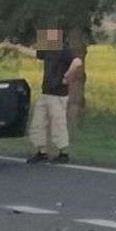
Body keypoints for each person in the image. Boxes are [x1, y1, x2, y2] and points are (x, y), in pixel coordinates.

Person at [26, 29, 83, 164]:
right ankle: (42, 152)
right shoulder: (48, 51)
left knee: (58, 124)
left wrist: (66, 77)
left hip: (58, 95)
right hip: (45, 93)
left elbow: (77, 62)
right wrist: (15, 47)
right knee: (38, 123)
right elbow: (34, 54)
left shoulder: (64, 51)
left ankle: (63, 153)